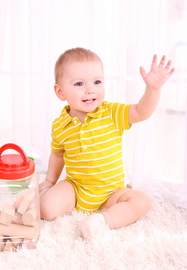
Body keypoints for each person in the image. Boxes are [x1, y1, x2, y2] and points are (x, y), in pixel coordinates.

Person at [39, 47, 175, 240]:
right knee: (45, 208)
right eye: (79, 83)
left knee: (141, 202)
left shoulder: (112, 112)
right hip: (77, 189)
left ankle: (102, 221)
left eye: (97, 81)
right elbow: (57, 154)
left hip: (112, 192)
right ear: (60, 92)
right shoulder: (60, 125)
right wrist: (50, 182)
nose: (90, 89)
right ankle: (35, 202)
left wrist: (153, 89)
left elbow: (141, 111)